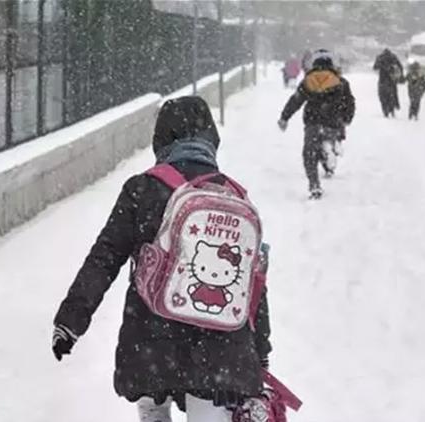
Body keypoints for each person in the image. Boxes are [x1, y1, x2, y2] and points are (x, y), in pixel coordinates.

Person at [52, 96, 272, 422]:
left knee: (153, 409)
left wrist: (70, 321)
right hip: (220, 350)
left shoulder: (142, 189)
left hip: (151, 340)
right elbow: (252, 284)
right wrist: (260, 351)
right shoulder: (233, 196)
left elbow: (105, 257)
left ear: (161, 139)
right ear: (211, 138)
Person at [278, 50, 356, 199]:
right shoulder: (341, 82)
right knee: (329, 140)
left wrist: (284, 117)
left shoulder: (308, 81)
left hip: (313, 122)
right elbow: (349, 103)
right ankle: (331, 150)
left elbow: (296, 101)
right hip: (333, 122)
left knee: (309, 154)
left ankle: (314, 185)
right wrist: (347, 118)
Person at [373, 48, 404, 118]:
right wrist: (401, 76)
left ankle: (386, 110)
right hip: (392, 80)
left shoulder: (380, 57)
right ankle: (392, 108)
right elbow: (400, 66)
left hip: (382, 80)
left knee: (383, 96)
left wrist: (382, 66)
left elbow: (375, 67)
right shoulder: (393, 57)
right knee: (392, 95)